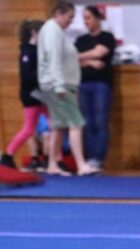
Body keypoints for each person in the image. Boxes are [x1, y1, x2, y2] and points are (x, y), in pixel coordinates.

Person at [35, 2, 97, 176]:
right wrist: (59, 85)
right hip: (58, 85)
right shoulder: (53, 31)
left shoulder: (54, 31)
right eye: (69, 18)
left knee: (59, 125)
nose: (70, 22)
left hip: (54, 83)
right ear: (59, 13)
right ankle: (81, 165)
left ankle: (52, 164)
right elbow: (53, 59)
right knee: (76, 123)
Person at [1, 20, 46, 171]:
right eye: (43, 33)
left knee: (55, 125)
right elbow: (27, 76)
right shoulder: (27, 52)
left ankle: (53, 159)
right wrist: (43, 77)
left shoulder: (38, 50)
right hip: (31, 96)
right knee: (28, 129)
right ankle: (7, 155)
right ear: (34, 33)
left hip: (41, 95)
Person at [75, 5, 115, 170]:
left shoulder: (107, 37)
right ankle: (88, 157)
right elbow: (72, 58)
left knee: (100, 121)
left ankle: (98, 157)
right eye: (84, 18)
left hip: (101, 84)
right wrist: (90, 61)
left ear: (98, 18)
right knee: (86, 122)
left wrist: (83, 58)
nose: (86, 22)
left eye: (89, 18)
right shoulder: (81, 40)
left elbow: (100, 53)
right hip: (83, 83)